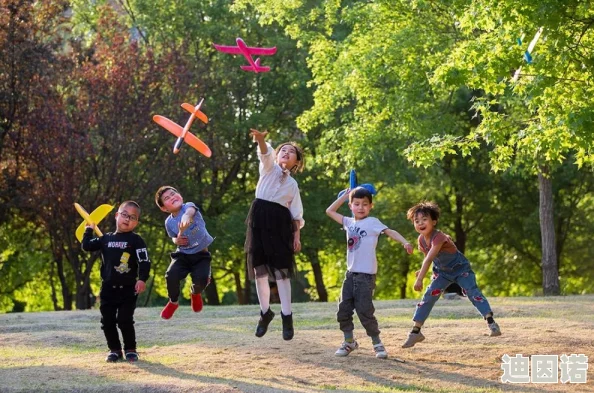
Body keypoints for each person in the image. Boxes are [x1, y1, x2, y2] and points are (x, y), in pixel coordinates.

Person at [326, 187, 414, 359]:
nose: (360, 207)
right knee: (343, 310)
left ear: (371, 206)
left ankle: (377, 343)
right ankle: (349, 341)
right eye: (356, 204)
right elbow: (329, 211)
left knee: (365, 310)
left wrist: (405, 242)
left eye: (365, 204)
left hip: (366, 276)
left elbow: (390, 231)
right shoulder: (348, 222)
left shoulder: (373, 222)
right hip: (350, 275)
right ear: (350, 206)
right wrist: (344, 197)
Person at [402, 201, 502, 348]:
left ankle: (491, 322)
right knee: (429, 296)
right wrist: (421, 270)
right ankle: (416, 332)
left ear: (434, 222)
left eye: (424, 220)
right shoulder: (421, 240)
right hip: (442, 272)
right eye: (416, 221)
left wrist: (420, 279)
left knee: (472, 291)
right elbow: (427, 258)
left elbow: (430, 258)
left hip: (461, 270)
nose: (420, 223)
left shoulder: (439, 237)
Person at [245, 129, 304, 341]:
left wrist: (296, 236)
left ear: (296, 162)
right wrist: (261, 139)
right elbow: (265, 152)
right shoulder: (268, 169)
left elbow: (296, 214)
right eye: (283, 150)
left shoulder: (293, 185)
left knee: (282, 272)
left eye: (291, 152)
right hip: (259, 220)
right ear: (277, 156)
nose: (286, 153)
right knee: (259, 270)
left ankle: (287, 317)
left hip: (281, 224)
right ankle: (265, 313)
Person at [81, 201, 151, 363]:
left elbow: (144, 261)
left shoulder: (136, 240)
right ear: (116, 216)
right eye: (124, 215)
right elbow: (86, 246)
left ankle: (131, 350)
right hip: (108, 289)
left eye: (132, 217)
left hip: (128, 289)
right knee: (107, 321)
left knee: (125, 320)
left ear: (136, 222)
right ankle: (114, 350)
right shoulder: (105, 239)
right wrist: (89, 229)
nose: (127, 219)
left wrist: (142, 279)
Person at [155, 186, 214, 320]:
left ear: (180, 194)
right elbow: (173, 237)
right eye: (167, 198)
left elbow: (190, 211)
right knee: (171, 275)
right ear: (164, 208)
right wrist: (177, 240)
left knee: (202, 280)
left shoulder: (188, 206)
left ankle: (195, 293)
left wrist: (186, 216)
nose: (172, 197)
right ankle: (173, 302)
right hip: (182, 255)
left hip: (201, 255)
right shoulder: (169, 222)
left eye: (173, 193)